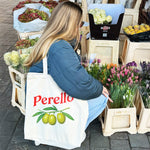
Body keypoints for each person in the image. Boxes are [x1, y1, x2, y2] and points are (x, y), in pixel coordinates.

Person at [25, 1, 112, 129]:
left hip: (41, 95)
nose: (80, 27)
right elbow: (78, 83)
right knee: (101, 98)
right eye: (80, 24)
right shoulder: (60, 46)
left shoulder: (51, 39)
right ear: (71, 25)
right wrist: (99, 88)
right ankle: (67, 129)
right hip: (48, 99)